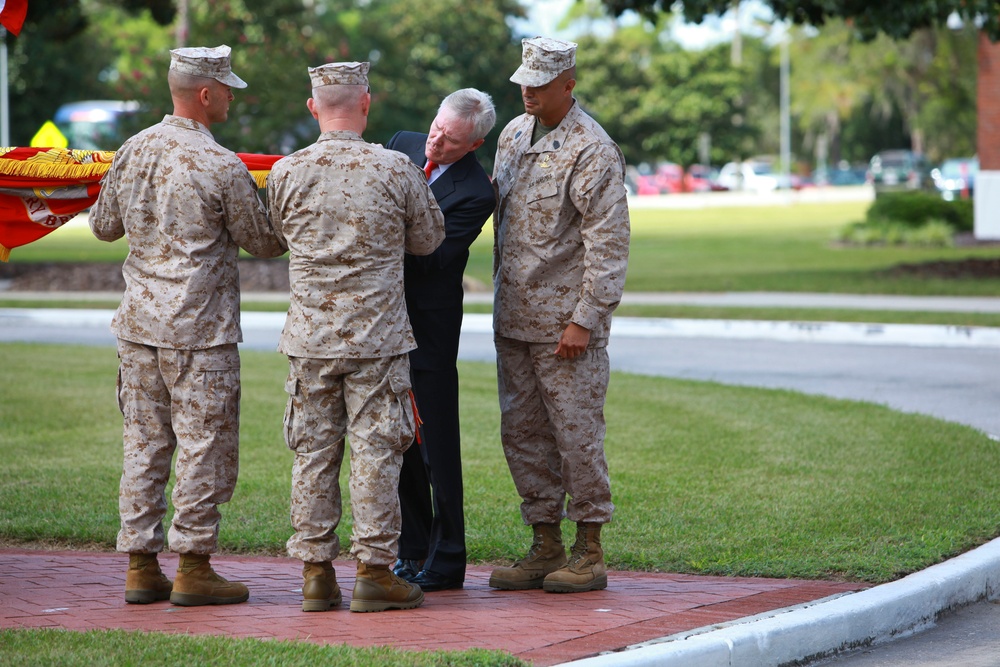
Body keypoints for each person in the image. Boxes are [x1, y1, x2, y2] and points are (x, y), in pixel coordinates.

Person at [89, 45, 287, 607]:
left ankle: (141, 565)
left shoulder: (133, 150)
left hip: (138, 326)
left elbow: (104, 226)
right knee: (204, 446)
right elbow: (265, 241)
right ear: (205, 93)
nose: (232, 95)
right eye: (227, 88)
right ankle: (194, 567)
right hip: (200, 330)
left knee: (143, 444)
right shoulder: (220, 164)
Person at [266, 61, 445, 613]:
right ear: (366, 103)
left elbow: (271, 239)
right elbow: (429, 240)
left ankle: (316, 575)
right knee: (375, 455)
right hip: (377, 339)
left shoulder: (287, 171)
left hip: (310, 340)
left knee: (313, 455)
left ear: (313, 107)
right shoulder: (395, 169)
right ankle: (374, 572)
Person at [488, 37, 631, 594]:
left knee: (576, 435)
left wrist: (585, 319)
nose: (528, 91)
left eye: (540, 84)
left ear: (568, 83)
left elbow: (609, 244)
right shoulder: (512, 135)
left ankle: (588, 549)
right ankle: (544, 542)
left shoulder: (592, 149)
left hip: (565, 326)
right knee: (522, 434)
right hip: (514, 316)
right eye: (524, 80)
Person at [386, 89, 497, 592]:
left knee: (434, 443)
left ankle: (449, 557)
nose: (434, 141)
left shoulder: (476, 192)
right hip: (384, 322)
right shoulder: (400, 144)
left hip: (429, 327)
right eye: (435, 127)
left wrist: (378, 230)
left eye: (450, 140)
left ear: (472, 145)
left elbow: (433, 256)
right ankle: (412, 550)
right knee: (399, 439)